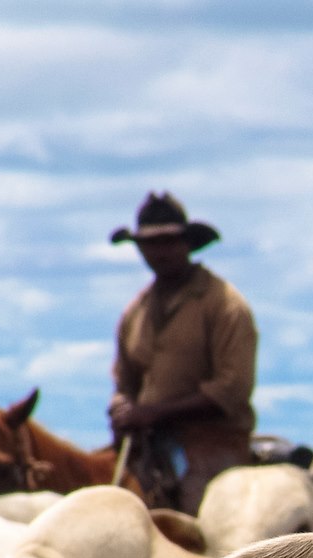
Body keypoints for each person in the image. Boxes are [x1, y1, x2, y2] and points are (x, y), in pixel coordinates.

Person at [108, 191, 258, 515]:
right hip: (148, 448)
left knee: (200, 510)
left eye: (168, 242)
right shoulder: (134, 312)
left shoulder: (224, 304)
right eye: (149, 244)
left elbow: (232, 388)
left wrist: (154, 413)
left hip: (212, 444)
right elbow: (124, 381)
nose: (158, 252)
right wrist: (121, 407)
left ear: (187, 243)